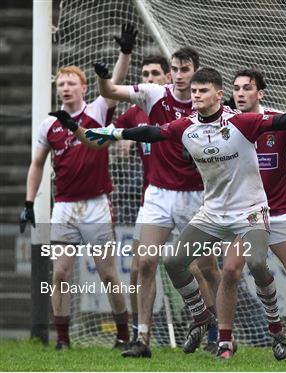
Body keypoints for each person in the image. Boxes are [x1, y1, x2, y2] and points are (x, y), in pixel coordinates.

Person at [83, 67, 286, 359]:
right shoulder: (186, 126)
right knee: (174, 262)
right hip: (213, 214)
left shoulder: (242, 122)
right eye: (194, 91)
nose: (196, 95)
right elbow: (152, 132)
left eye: (203, 90)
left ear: (219, 95)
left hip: (250, 212)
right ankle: (200, 317)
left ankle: (276, 329)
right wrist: (113, 133)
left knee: (257, 263)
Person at [89, 48, 221, 358]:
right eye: (174, 68)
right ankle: (142, 339)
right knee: (145, 263)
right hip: (158, 194)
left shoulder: (208, 103)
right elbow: (110, 92)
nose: (178, 74)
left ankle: (216, 332)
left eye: (184, 69)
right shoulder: (154, 93)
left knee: (203, 267)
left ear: (196, 71)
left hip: (195, 195)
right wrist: (103, 77)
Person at [19, 23, 136, 350]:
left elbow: (115, 82)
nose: (65, 88)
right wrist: (29, 202)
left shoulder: (98, 110)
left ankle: (123, 334)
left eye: (72, 83)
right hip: (66, 206)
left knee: (108, 274)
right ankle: (63, 338)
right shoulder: (49, 124)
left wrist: (124, 54)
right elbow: (37, 164)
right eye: (61, 84)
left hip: (97, 203)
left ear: (84, 87)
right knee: (60, 274)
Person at [214, 68, 286, 360]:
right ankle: (225, 341)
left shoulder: (279, 121)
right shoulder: (223, 123)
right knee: (231, 271)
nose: (240, 93)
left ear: (260, 93)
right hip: (242, 213)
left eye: (247, 88)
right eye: (236, 88)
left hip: (278, 211)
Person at [114, 54, 171, 343]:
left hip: (188, 198)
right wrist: (120, 138)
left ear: (168, 78)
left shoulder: (176, 108)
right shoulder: (136, 112)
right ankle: (139, 333)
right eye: (145, 74)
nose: (149, 79)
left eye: (155, 74)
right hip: (153, 201)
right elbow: (113, 124)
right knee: (138, 268)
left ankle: (215, 331)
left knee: (200, 267)